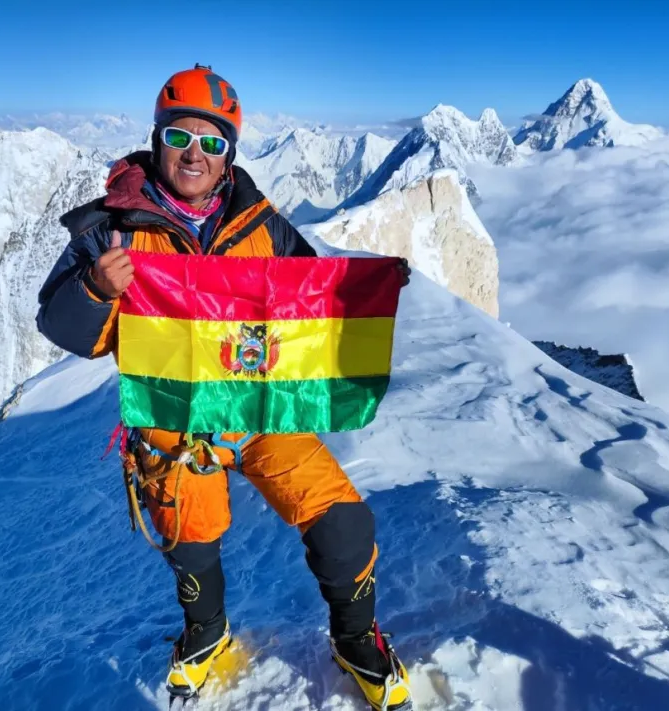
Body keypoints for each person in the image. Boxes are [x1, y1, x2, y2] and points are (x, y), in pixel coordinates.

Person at [36, 65, 411, 710]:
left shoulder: (261, 224)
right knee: (191, 535)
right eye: (181, 136)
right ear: (157, 140)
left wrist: (364, 294)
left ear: (230, 153)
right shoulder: (110, 230)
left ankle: (356, 639)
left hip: (258, 409)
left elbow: (308, 300)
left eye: (212, 143)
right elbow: (60, 325)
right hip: (176, 422)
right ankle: (205, 632)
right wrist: (98, 289)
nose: (195, 154)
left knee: (344, 522)